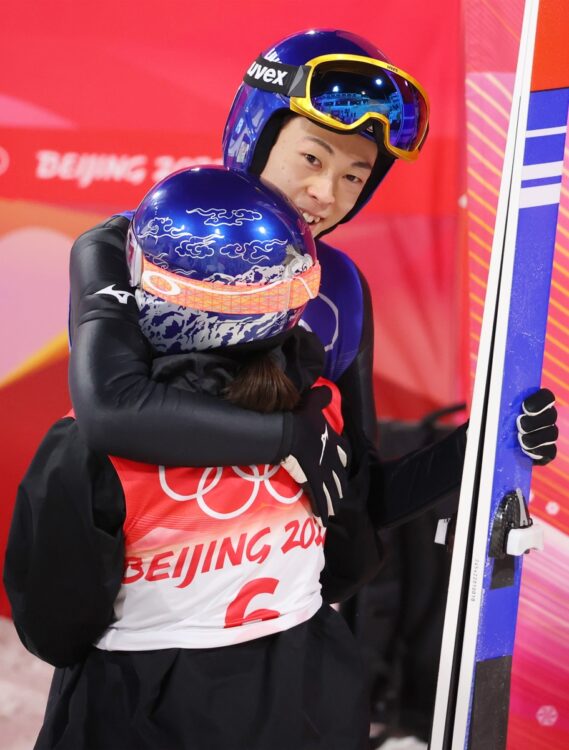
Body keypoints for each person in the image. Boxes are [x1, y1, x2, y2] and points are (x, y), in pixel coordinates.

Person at [4, 167, 379, 750]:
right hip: (311, 704)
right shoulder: (320, 414)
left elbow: (53, 628)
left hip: (137, 716)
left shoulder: (88, 451)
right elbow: (351, 564)